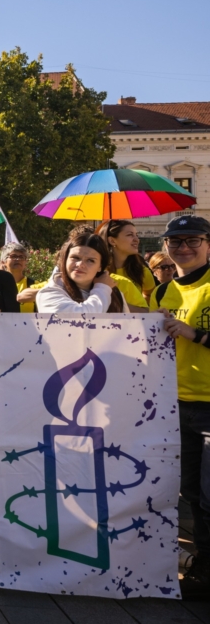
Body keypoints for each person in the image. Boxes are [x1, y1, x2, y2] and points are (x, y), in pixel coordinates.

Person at [148, 216, 210, 596]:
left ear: (208, 243)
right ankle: (204, 566)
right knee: (191, 494)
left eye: (193, 240)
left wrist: (196, 334)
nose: (184, 247)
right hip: (175, 405)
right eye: (175, 241)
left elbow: (191, 335)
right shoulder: (162, 292)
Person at [36, 229, 124, 313]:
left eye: (90, 260)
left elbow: (126, 323)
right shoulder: (49, 292)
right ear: (65, 260)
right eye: (75, 257)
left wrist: (104, 289)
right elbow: (80, 319)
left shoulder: (114, 294)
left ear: (100, 266)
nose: (80, 264)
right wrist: (102, 288)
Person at [99, 220, 156, 301]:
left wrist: (138, 305)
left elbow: (150, 295)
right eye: (130, 235)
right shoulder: (97, 271)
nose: (137, 239)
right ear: (112, 241)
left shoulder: (142, 271)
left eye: (136, 235)